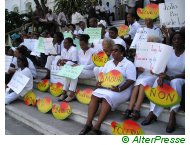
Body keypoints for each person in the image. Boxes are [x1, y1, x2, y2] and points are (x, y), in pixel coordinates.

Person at [79, 44, 136, 135]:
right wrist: (99, 82)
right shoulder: (109, 63)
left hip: (122, 90)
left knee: (106, 98)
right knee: (94, 95)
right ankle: (88, 124)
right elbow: (103, 76)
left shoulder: (128, 64)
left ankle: (97, 126)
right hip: (107, 87)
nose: (113, 52)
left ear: (122, 53)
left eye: (116, 50)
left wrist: (120, 88)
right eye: (112, 50)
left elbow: (131, 80)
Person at [141, 32, 185, 133]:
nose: (177, 41)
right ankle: (152, 112)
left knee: (175, 82)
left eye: (179, 39)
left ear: (184, 41)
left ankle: (172, 113)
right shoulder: (169, 53)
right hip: (168, 76)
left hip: (181, 78)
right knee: (158, 81)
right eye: (174, 39)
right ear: (172, 42)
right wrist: (161, 76)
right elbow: (163, 68)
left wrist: (171, 77)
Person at [123, 36, 162, 120]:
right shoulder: (144, 52)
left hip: (153, 75)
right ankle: (130, 108)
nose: (150, 44)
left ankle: (137, 109)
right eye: (149, 42)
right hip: (144, 74)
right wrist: (138, 68)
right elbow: (137, 65)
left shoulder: (160, 54)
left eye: (152, 42)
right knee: (137, 83)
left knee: (142, 82)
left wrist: (155, 70)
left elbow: (161, 69)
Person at [58, 34, 96, 102]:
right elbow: (77, 63)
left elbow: (92, 66)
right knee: (69, 68)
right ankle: (64, 91)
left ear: (87, 43)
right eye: (80, 45)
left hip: (90, 71)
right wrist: (74, 65)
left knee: (75, 72)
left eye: (83, 45)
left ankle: (72, 93)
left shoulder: (93, 51)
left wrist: (79, 67)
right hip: (80, 70)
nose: (81, 47)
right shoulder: (79, 51)